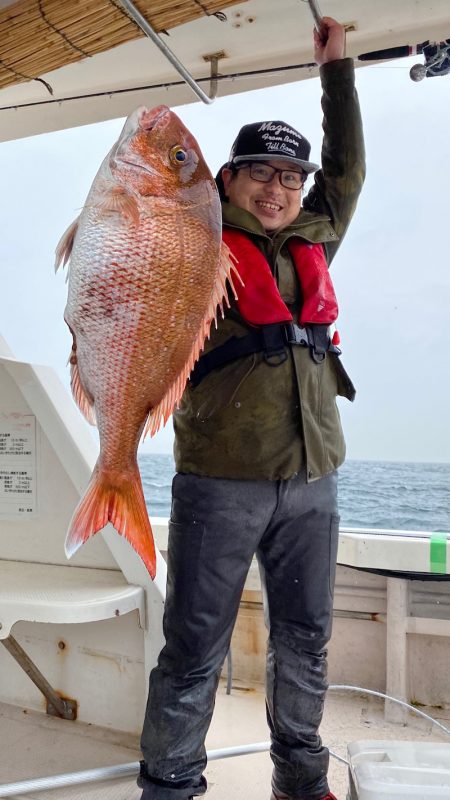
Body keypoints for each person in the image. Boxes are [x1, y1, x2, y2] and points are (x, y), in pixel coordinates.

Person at [138, 16, 365, 800]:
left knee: (306, 640)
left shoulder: (316, 236)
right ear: (228, 179)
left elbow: (348, 173)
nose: (279, 188)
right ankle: (169, 786)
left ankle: (299, 782)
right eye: (261, 172)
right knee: (195, 646)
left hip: (314, 481)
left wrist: (338, 72)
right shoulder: (195, 243)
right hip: (220, 481)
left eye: (291, 177)